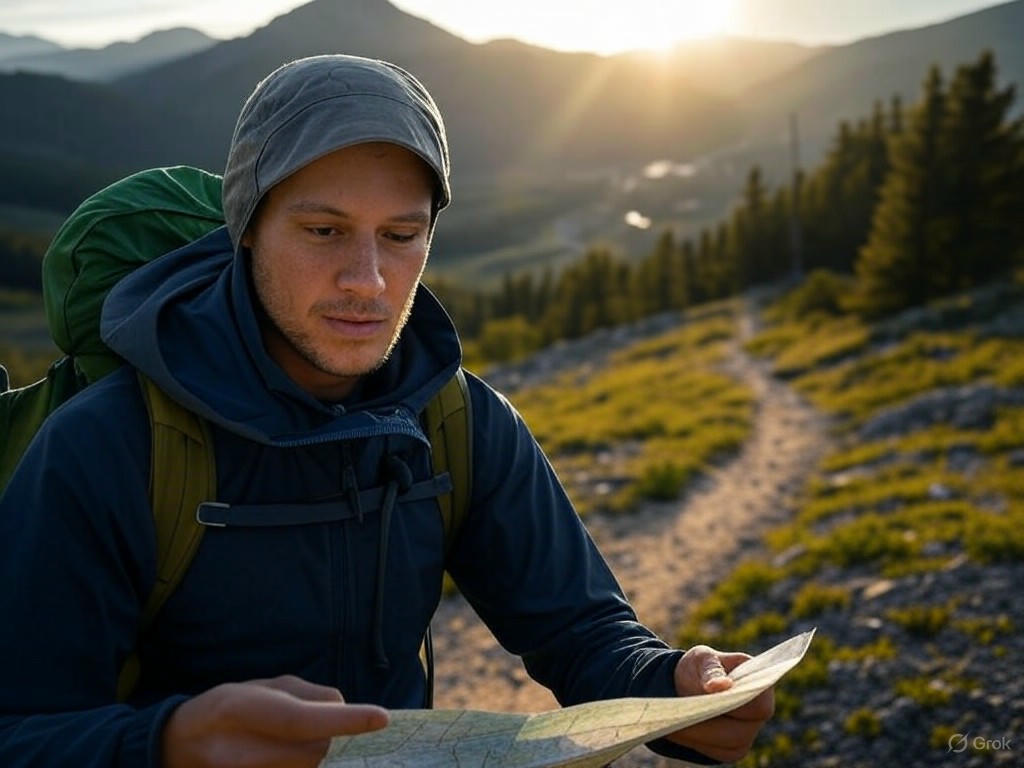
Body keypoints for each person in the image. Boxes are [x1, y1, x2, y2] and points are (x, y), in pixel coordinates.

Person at [0, 55, 773, 767]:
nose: (367, 280)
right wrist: (167, 742)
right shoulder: (109, 445)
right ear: (247, 225)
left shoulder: (459, 422)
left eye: (402, 235)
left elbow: (579, 630)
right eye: (324, 231)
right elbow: (19, 728)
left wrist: (670, 683)